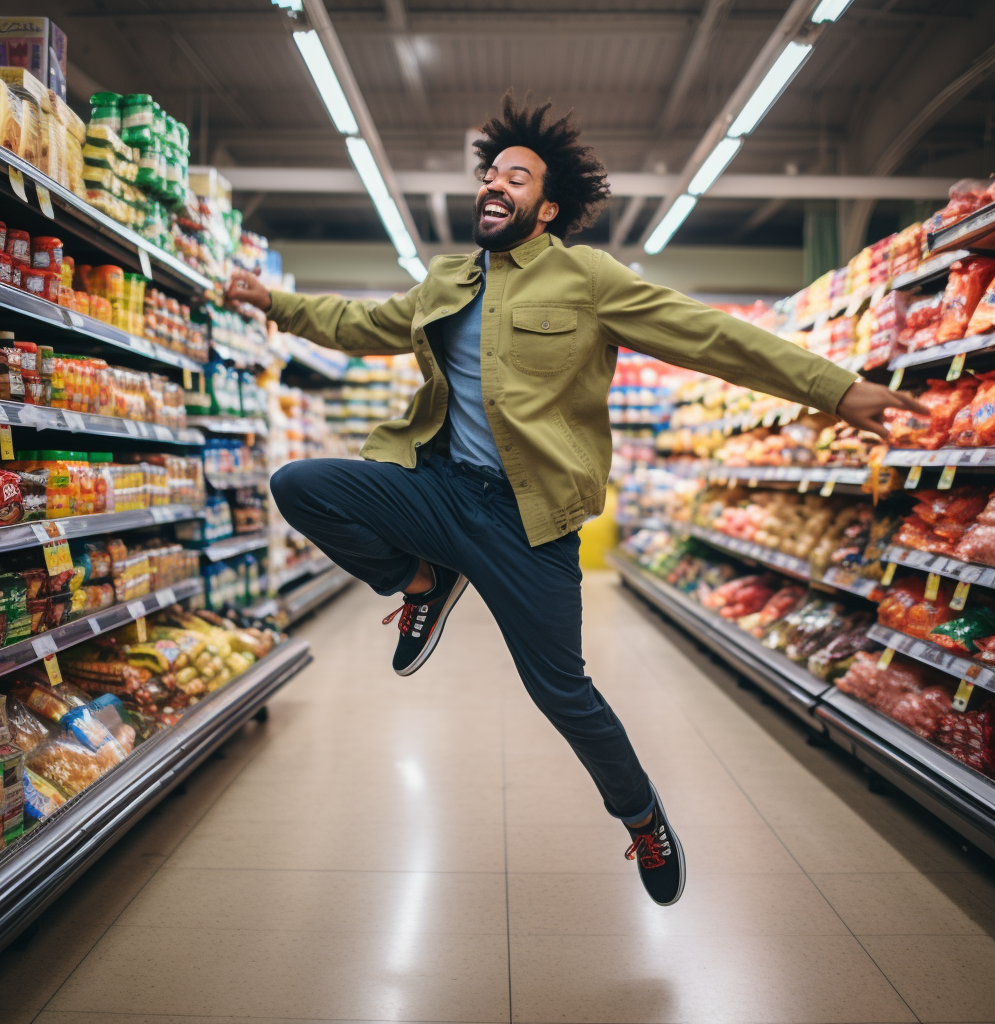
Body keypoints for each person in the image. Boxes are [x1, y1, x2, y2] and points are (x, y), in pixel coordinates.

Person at [226, 93, 925, 907]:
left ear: (547, 206)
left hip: (531, 523)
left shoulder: (587, 278)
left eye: (515, 177)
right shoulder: (446, 281)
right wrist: (271, 301)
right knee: (301, 485)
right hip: (442, 490)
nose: (495, 184)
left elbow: (709, 336)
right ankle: (423, 580)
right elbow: (358, 323)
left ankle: (643, 821)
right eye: (489, 174)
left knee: (564, 694)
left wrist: (837, 390)